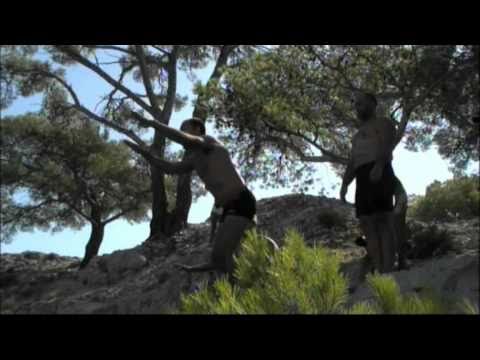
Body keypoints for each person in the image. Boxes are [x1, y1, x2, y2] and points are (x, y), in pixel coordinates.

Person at [124, 117, 263, 282]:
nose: (182, 133)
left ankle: (243, 287)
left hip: (241, 200)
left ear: (198, 129)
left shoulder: (209, 143)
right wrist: (146, 155)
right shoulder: (194, 159)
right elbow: (170, 168)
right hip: (228, 207)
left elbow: (184, 139)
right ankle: (249, 278)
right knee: (226, 254)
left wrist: (153, 124)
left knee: (223, 254)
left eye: (185, 128)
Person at [340, 92, 398, 273]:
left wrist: (379, 165)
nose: (358, 108)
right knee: (367, 223)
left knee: (383, 220)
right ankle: (379, 269)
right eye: (356, 105)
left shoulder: (384, 123)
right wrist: (344, 184)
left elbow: (388, 145)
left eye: (362, 103)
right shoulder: (356, 136)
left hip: (379, 171)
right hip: (361, 177)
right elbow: (352, 160)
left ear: (373, 104)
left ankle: (389, 268)